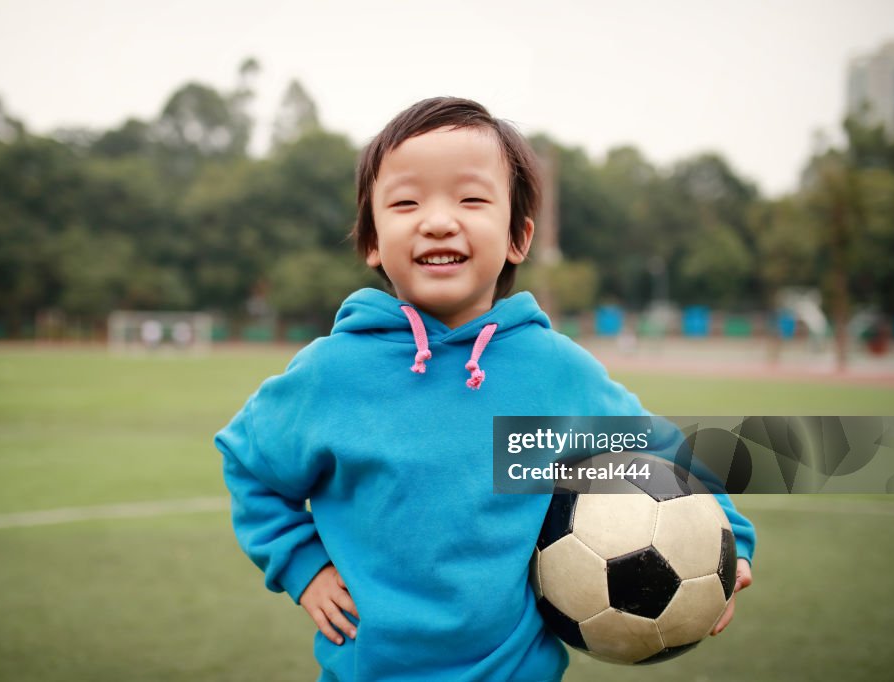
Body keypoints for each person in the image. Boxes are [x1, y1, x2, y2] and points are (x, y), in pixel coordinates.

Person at [214, 96, 756, 681]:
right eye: (406, 202)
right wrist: (301, 563)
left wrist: (729, 538)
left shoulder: (555, 372)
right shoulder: (330, 374)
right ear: (373, 241)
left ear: (517, 237)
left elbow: (664, 451)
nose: (439, 219)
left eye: (471, 199)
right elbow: (248, 461)